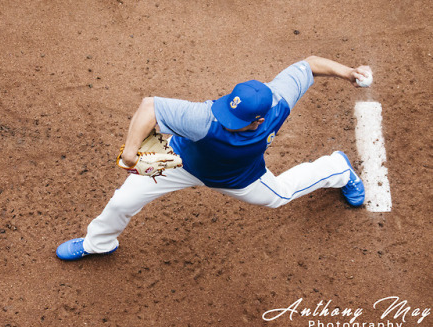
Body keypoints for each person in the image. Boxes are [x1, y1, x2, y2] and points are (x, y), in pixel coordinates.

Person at [56, 55, 370, 261]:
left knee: (280, 195)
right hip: (179, 160)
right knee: (124, 200)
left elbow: (310, 64)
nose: (224, 120)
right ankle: (98, 243)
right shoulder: (203, 117)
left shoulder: (279, 100)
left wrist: (348, 73)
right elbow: (149, 106)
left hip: (240, 178)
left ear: (259, 120)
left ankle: (338, 168)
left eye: (236, 120)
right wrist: (129, 150)